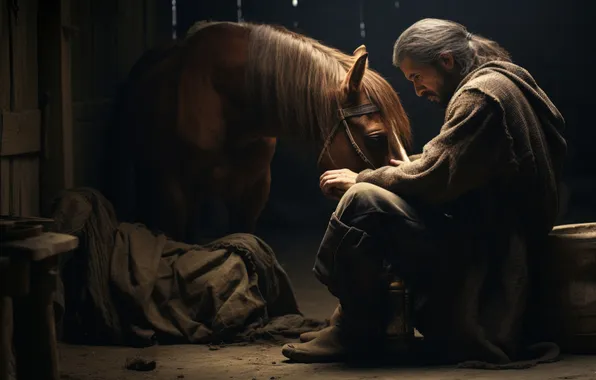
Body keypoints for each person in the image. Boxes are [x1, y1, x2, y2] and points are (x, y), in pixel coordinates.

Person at [281, 18, 567, 365]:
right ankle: (349, 318)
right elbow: (455, 161)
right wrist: (399, 169)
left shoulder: (480, 97)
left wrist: (362, 179)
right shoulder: (507, 80)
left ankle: (356, 330)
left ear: (446, 61)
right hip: (488, 242)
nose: (417, 90)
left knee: (364, 202)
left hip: (487, 265)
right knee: (381, 190)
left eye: (417, 77)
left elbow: (434, 176)